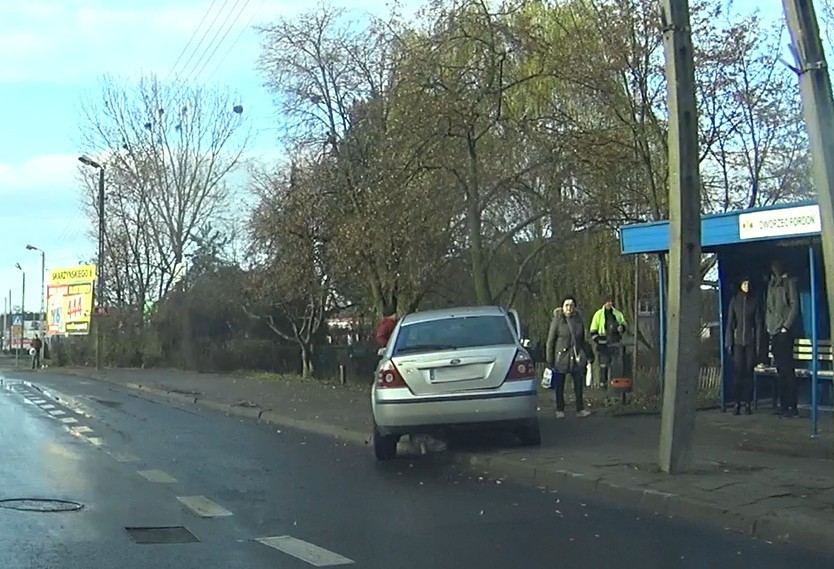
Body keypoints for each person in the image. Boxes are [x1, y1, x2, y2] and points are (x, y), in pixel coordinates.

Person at [545, 297, 594, 419]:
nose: (569, 308)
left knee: (578, 383)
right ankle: (560, 409)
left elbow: (583, 340)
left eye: (571, 305)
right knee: (560, 384)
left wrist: (589, 355)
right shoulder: (557, 320)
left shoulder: (578, 320)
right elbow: (551, 341)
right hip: (561, 356)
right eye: (566, 305)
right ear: (562, 307)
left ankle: (580, 408)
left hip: (576, 356)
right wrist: (550, 359)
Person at [765, 260, 800, 418]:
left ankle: (792, 406)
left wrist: (786, 326)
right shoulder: (771, 285)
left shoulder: (788, 283)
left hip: (785, 332)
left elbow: (794, 305)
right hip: (774, 331)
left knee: (787, 370)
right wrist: (768, 325)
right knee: (780, 370)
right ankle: (783, 405)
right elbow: (768, 307)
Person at [724, 277, 762, 415]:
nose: (747, 286)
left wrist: (758, 344)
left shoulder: (754, 301)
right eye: (744, 283)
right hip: (738, 342)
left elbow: (758, 324)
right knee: (738, 374)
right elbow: (730, 324)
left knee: (748, 373)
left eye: (748, 283)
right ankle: (737, 403)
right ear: (740, 285)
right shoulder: (735, 301)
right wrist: (729, 342)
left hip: (750, 342)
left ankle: (747, 403)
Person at [589, 296, 627, 387]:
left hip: (615, 342)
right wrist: (598, 340)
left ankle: (614, 385)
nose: (609, 304)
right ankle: (603, 384)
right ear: (604, 303)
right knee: (603, 365)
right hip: (603, 343)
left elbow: (624, 325)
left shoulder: (617, 314)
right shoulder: (598, 314)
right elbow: (593, 330)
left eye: (610, 302)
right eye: (607, 302)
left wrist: (621, 328)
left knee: (615, 365)